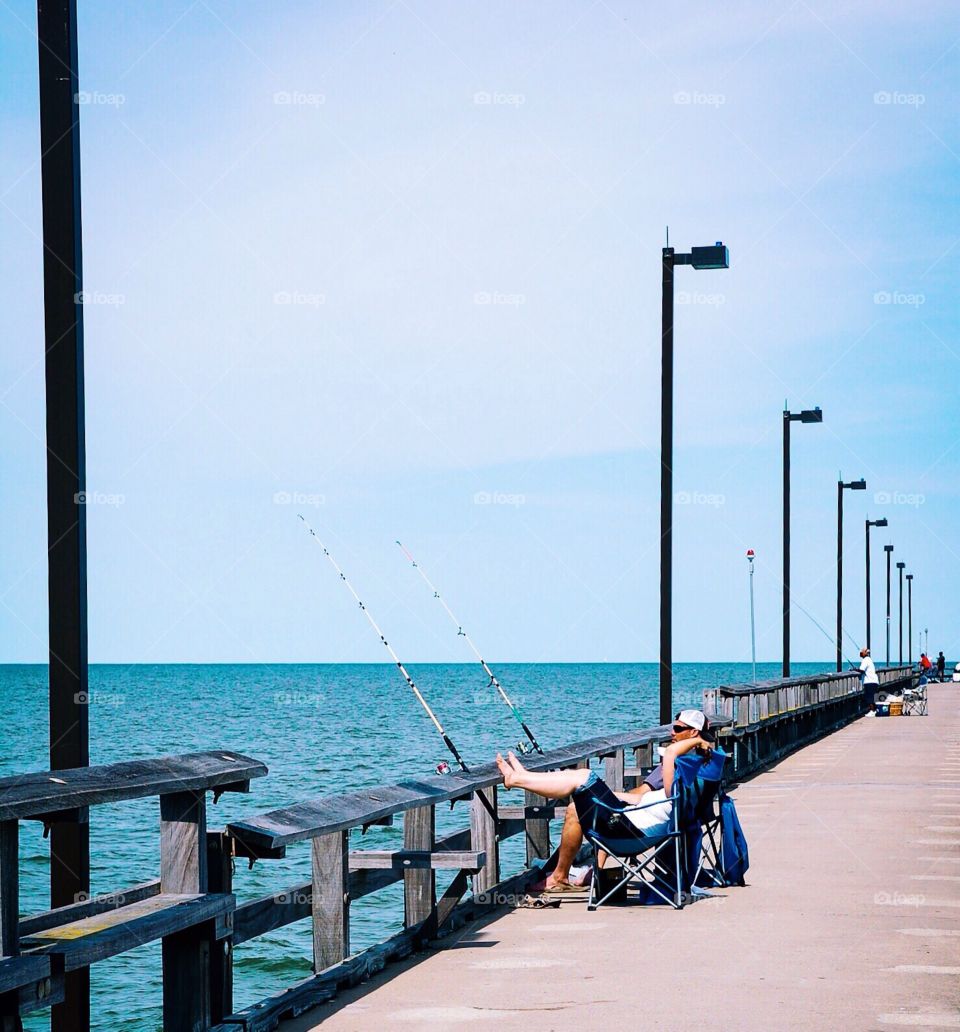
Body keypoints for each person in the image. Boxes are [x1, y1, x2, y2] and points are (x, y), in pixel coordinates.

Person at [521, 709, 711, 891]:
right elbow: (643, 796)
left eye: (678, 729)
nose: (672, 733)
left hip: (632, 836)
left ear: (694, 733)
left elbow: (657, 787)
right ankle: (570, 873)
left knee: (581, 790)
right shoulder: (698, 771)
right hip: (639, 825)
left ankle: (564, 875)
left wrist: (675, 753)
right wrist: (611, 796)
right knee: (584, 793)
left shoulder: (678, 770)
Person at [858, 647, 880, 716]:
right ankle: (875, 710)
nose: (860, 653)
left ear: (865, 653)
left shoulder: (865, 660)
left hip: (869, 681)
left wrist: (854, 670)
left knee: (869, 697)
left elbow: (861, 670)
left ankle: (872, 711)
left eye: (861, 652)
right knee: (872, 697)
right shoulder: (869, 659)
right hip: (874, 681)